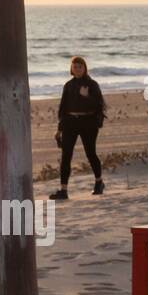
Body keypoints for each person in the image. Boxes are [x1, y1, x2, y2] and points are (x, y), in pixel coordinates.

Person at [50, 56, 106, 199]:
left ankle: (99, 182)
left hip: (88, 122)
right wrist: (59, 128)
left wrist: (87, 97)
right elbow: (62, 108)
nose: (77, 69)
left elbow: (100, 105)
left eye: (80, 67)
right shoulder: (68, 85)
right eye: (75, 67)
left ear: (85, 68)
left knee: (90, 153)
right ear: (71, 69)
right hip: (70, 122)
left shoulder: (92, 84)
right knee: (66, 156)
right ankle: (63, 190)